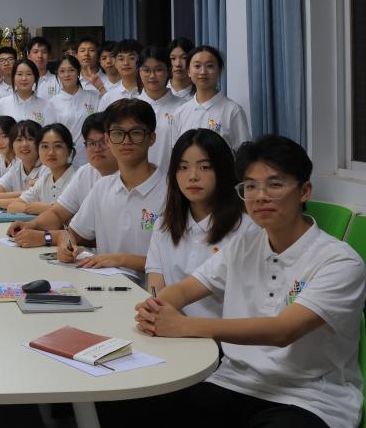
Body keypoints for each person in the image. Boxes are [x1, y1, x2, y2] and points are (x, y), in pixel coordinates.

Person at [132, 135, 365, 428]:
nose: (260, 196)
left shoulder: (339, 261)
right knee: (136, 405)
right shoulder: (243, 246)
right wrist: (155, 309)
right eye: (250, 186)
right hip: (234, 382)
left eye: (274, 184)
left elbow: (283, 330)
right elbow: (185, 289)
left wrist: (182, 325)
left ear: (304, 191)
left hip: (309, 398)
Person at [145, 129, 259, 318]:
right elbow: (155, 290)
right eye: (183, 167)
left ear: (223, 170)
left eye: (204, 167)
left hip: (223, 334)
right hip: (169, 328)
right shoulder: (164, 225)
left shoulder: (247, 230)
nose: (192, 176)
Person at [58, 99, 166, 280]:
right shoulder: (102, 186)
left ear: (152, 138)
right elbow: (72, 233)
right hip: (105, 288)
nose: (126, 141)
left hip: (152, 294)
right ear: (108, 139)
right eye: (117, 133)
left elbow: (175, 262)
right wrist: (67, 246)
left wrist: (121, 259)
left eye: (136, 133)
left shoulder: (170, 191)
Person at [5, 113, 120, 247]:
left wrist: (46, 237)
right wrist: (31, 225)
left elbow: (87, 235)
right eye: (91, 143)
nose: (97, 148)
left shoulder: (124, 178)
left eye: (103, 142)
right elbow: (58, 213)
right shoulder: (86, 172)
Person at [171, 45, 252, 152]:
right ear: (189, 71)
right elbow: (176, 152)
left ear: (219, 71)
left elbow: (244, 153)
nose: (203, 72)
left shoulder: (233, 110)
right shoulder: (180, 113)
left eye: (209, 66)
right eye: (197, 66)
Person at [8, 123, 77, 215]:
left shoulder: (77, 180)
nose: (51, 152)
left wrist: (46, 208)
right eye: (45, 146)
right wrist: (34, 208)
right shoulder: (45, 180)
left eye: (58, 146)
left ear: (69, 151)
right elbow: (12, 206)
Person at [137, 46, 187, 170]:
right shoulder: (131, 108)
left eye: (158, 70)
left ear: (169, 71)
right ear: (139, 71)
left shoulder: (184, 107)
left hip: (173, 177)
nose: (152, 76)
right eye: (146, 70)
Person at [50, 54, 100, 165]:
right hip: (66, 160)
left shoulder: (93, 96)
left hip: (94, 156)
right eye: (62, 71)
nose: (67, 75)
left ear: (78, 72)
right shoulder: (52, 103)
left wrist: (100, 87)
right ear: (57, 74)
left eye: (71, 70)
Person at [0, 58, 56, 125]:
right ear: (13, 77)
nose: (24, 78)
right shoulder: (2, 104)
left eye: (29, 74)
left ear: (35, 78)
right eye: (19, 74)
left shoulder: (46, 105)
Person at [98, 38, 143, 110]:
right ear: (115, 63)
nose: (126, 63)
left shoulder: (149, 93)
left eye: (131, 58)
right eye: (121, 59)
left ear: (141, 61)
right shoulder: (108, 97)